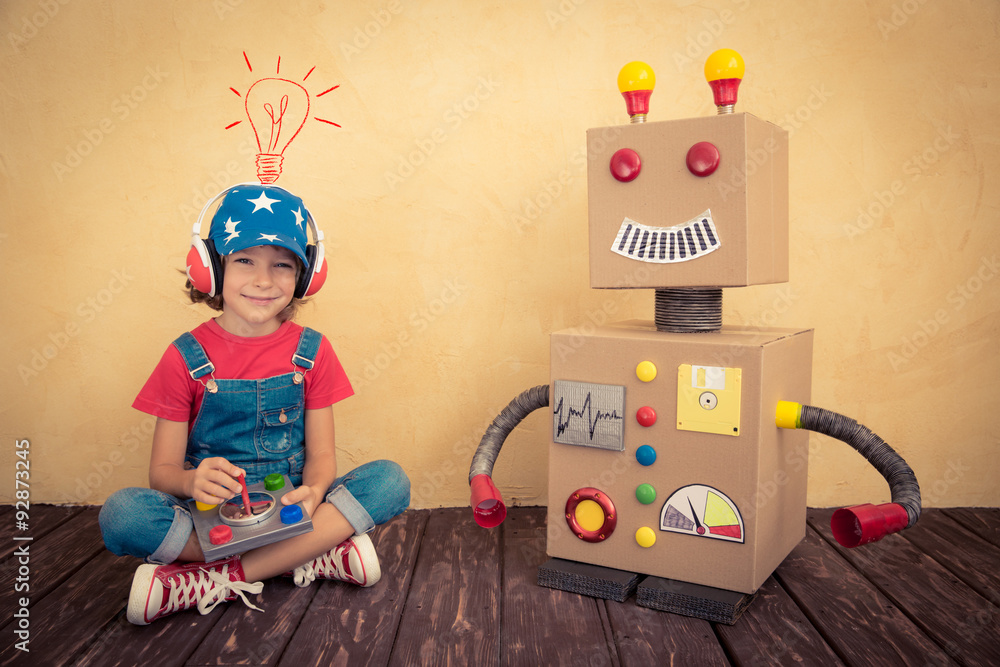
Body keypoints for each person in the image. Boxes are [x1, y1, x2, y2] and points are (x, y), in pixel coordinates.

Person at [99, 184, 410, 625]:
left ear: (305, 277)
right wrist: (192, 483)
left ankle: (210, 580)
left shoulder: (314, 351)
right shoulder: (183, 357)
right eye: (244, 260)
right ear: (209, 269)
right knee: (123, 514)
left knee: (389, 481)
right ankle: (312, 555)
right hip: (213, 518)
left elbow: (322, 456)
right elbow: (162, 474)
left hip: (293, 509)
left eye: (282, 265)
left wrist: (314, 494)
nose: (264, 281)